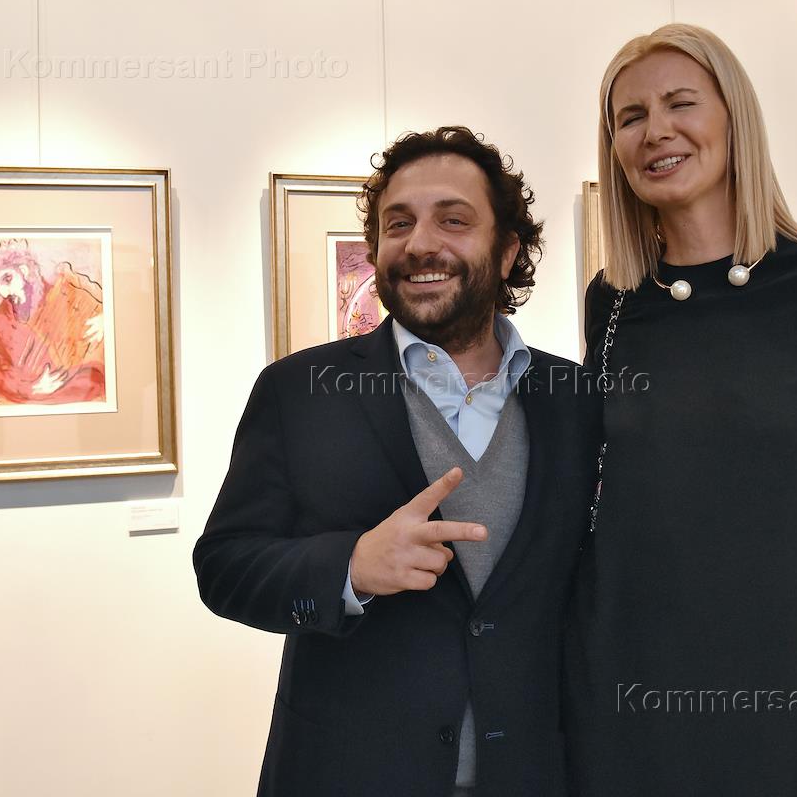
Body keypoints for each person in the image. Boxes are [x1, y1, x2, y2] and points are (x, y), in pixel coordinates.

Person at [564, 24, 797, 796]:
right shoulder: (613, 301)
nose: (655, 130)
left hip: (788, 705)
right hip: (621, 699)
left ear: (735, 118)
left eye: (680, 103)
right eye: (630, 117)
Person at [194, 126, 598, 797]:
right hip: (350, 775)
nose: (419, 243)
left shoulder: (575, 399)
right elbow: (224, 568)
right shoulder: (300, 391)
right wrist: (349, 567)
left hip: (533, 774)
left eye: (453, 220)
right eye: (398, 223)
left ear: (507, 252)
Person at [0, 238, 105, 404]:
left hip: (75, 386)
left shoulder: (64, 294)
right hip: (24, 399)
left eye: (7, 279)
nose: (4, 292)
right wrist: (32, 388)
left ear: (23, 270)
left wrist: (105, 318)